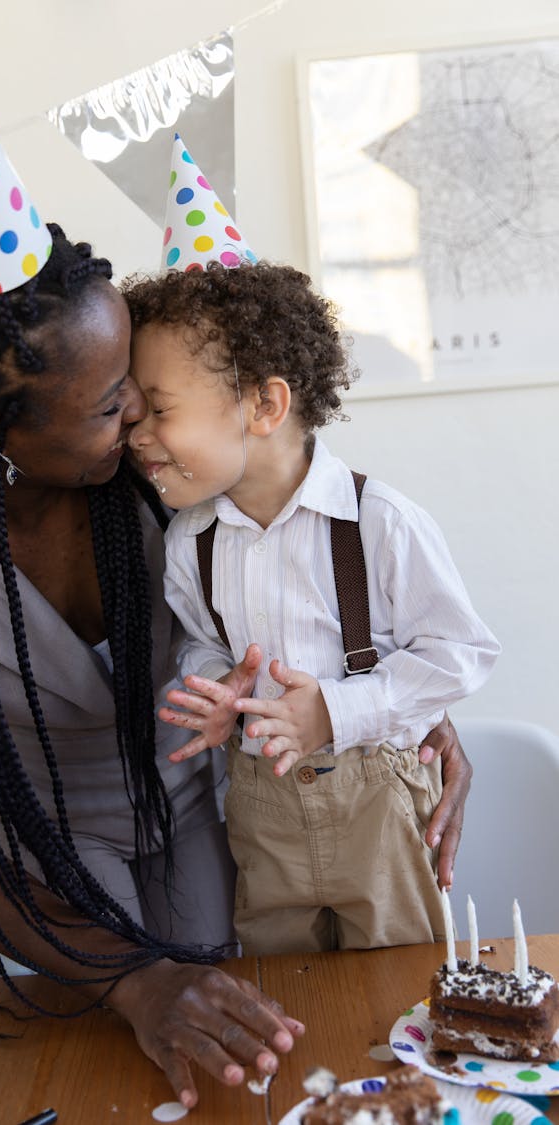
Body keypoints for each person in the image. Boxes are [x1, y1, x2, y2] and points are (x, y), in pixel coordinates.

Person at [0, 96, 473, 1109]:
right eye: (108, 399)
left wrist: (409, 707)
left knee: (281, 1057)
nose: (140, 411)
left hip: (216, 825)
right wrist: (132, 979)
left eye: (139, 380)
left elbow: (324, 567)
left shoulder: (164, 474)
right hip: (35, 889)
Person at [122, 253, 500, 956]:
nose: (136, 432)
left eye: (160, 408)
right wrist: (217, 687)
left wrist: (336, 709)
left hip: (377, 806)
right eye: (135, 412)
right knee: (282, 982)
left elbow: (460, 653)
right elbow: (204, 641)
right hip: (262, 809)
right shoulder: (189, 542)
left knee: (400, 979)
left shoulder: (379, 521)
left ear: (265, 405)